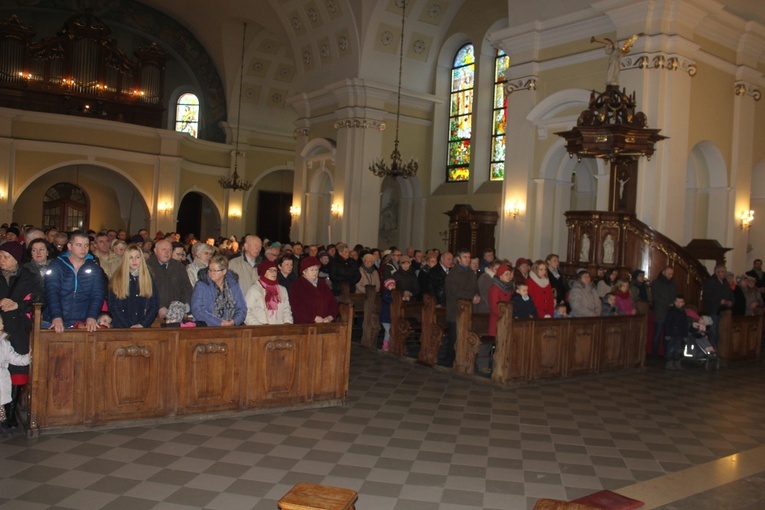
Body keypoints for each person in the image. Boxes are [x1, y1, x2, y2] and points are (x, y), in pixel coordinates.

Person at [0, 243, 41, 429]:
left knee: (17, 369)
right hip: (0, 326)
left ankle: (10, 412)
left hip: (18, 328)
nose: (2, 260)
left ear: (16, 259)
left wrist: (18, 305)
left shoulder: (29, 277)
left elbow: (39, 301)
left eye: (6, 256)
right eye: (0, 255)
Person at [43, 230, 106, 332]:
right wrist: (56, 316)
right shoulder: (57, 265)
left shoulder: (95, 268)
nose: (83, 249)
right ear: (69, 246)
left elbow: (97, 294)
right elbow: (52, 292)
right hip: (55, 318)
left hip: (83, 321)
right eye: (79, 245)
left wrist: (92, 316)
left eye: (86, 245)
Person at [441, 249, 480, 367]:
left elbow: (475, 288)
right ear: (458, 259)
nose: (467, 259)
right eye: (465, 257)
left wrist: (477, 295)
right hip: (455, 311)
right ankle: (449, 360)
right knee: (454, 338)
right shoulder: (453, 274)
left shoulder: (471, 273)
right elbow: (454, 291)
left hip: (468, 310)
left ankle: (463, 359)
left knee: (465, 337)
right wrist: (471, 296)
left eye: (469, 257)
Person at [107, 243, 159, 328]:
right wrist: (127, 326)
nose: (134, 261)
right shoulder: (117, 278)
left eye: (137, 257)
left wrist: (142, 324)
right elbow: (114, 306)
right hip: (122, 328)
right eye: (130, 257)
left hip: (143, 327)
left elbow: (154, 305)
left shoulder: (148, 278)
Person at [190, 254, 247, 326]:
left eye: (215, 271)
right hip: (207, 328)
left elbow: (242, 308)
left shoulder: (233, 284)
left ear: (224, 271)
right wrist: (219, 323)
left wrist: (234, 321)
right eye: (210, 270)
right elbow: (197, 310)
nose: (211, 273)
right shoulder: (201, 285)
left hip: (231, 327)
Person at [0, 316, 31, 435]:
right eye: (0, 323)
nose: (2, 326)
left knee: (1, 404)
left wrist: (27, 358)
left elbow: (13, 357)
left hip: (2, 377)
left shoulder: (4, 344)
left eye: (2, 323)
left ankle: (3, 423)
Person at [289, 256, 339, 324]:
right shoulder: (296, 285)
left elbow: (332, 302)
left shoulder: (323, 284)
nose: (315, 272)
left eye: (316, 269)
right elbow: (297, 307)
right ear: (304, 271)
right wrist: (313, 317)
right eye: (312, 270)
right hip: (305, 325)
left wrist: (330, 316)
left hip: (325, 323)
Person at [244, 260, 293, 325]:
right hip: (261, 330)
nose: (274, 273)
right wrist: (258, 326)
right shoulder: (254, 289)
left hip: (280, 330)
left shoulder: (282, 290)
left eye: (275, 270)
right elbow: (246, 311)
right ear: (263, 272)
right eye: (270, 270)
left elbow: (286, 310)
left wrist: (288, 323)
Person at [702, 264, 734, 349]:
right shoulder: (710, 282)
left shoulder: (725, 282)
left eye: (725, 272)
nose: (724, 274)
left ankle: (720, 349)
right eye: (722, 272)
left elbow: (730, 293)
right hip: (714, 310)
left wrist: (731, 301)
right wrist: (719, 301)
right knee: (714, 331)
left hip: (724, 310)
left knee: (722, 331)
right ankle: (713, 349)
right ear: (717, 272)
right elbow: (706, 296)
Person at [651, 266, 678, 356]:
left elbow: (675, 295)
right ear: (663, 272)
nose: (670, 276)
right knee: (657, 334)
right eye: (669, 274)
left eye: (672, 274)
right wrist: (667, 303)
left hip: (670, 312)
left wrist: (674, 303)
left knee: (668, 334)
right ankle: (654, 353)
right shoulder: (656, 283)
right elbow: (656, 297)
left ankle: (666, 353)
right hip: (660, 311)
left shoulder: (673, 283)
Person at [663, 295, 688, 370]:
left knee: (679, 349)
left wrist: (685, 335)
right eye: (677, 301)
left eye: (680, 302)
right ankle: (669, 363)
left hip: (680, 334)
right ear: (674, 302)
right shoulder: (671, 311)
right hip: (671, 334)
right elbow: (667, 323)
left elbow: (685, 324)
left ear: (683, 303)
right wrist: (667, 333)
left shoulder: (683, 312)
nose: (678, 303)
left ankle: (677, 362)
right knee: (670, 349)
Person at [488, 264, 514, 337]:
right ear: (500, 276)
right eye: (506, 274)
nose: (509, 276)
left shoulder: (510, 287)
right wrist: (504, 316)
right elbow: (494, 307)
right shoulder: (495, 288)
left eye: (509, 274)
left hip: (507, 319)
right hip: (498, 320)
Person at [379, 279, 396, 351]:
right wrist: (393, 300)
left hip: (391, 316)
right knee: (388, 331)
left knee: (391, 331)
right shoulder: (385, 293)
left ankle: (391, 344)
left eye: (393, 285)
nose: (392, 286)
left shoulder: (395, 293)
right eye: (390, 285)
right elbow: (387, 300)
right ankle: (385, 345)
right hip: (385, 316)